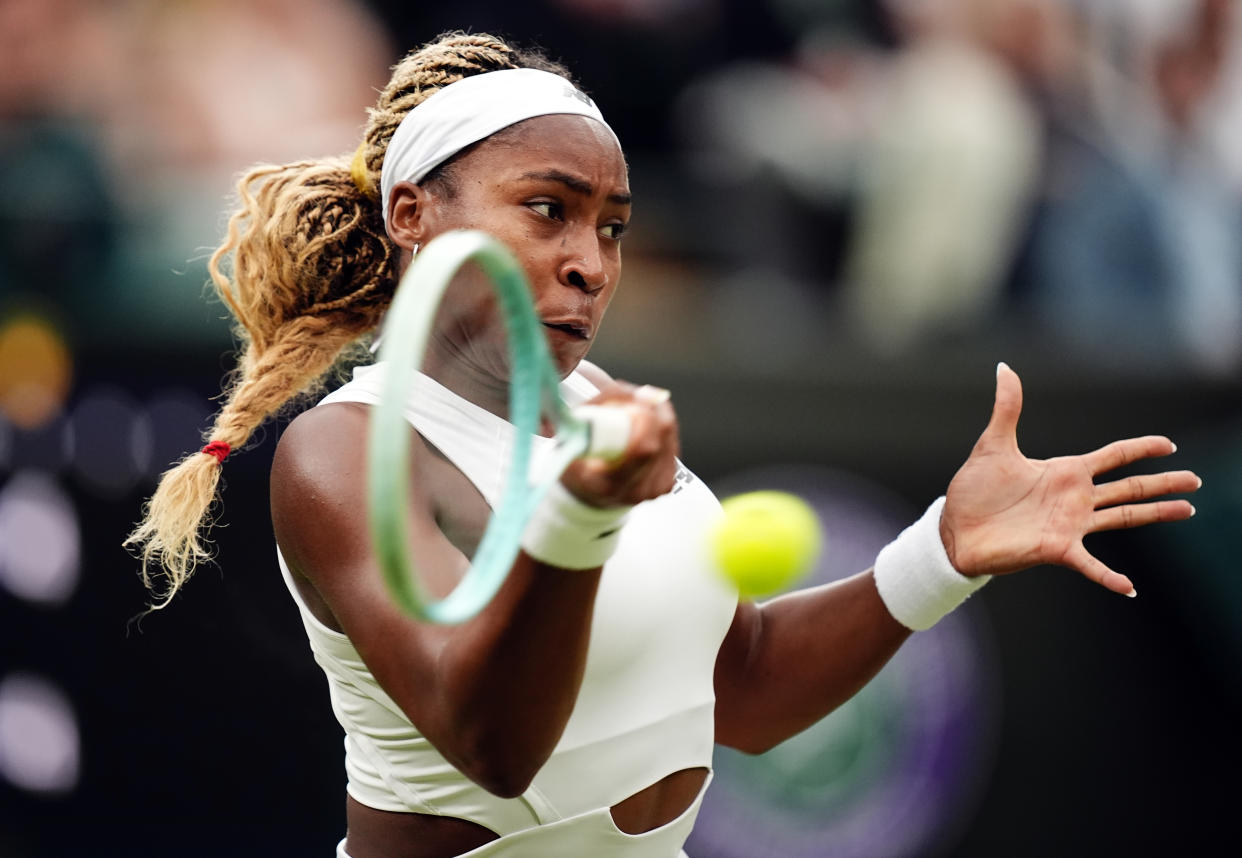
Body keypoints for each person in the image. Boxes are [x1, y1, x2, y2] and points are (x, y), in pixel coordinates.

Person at [125, 31, 1200, 858]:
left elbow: (748, 689)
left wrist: (943, 553)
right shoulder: (344, 455)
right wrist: (582, 512)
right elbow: (491, 745)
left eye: (612, 225)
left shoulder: (610, 402)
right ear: (412, 214)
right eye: (546, 209)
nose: (589, 259)